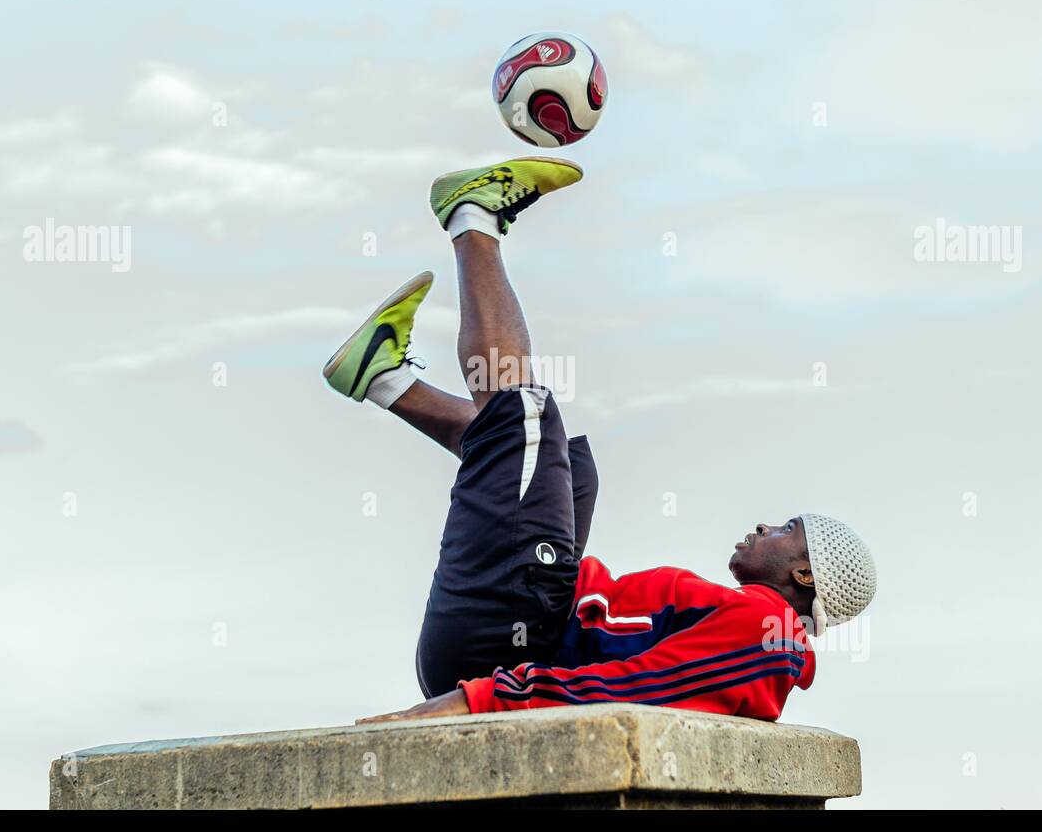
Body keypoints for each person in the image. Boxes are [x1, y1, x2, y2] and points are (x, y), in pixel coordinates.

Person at [321, 157, 877, 724]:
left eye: (786, 530)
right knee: (565, 462)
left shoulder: (770, 635)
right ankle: (381, 378)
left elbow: (632, 688)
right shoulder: (757, 628)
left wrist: (471, 702)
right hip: (529, 616)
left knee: (523, 418)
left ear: (803, 575)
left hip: (507, 645)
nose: (765, 526)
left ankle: (471, 216)